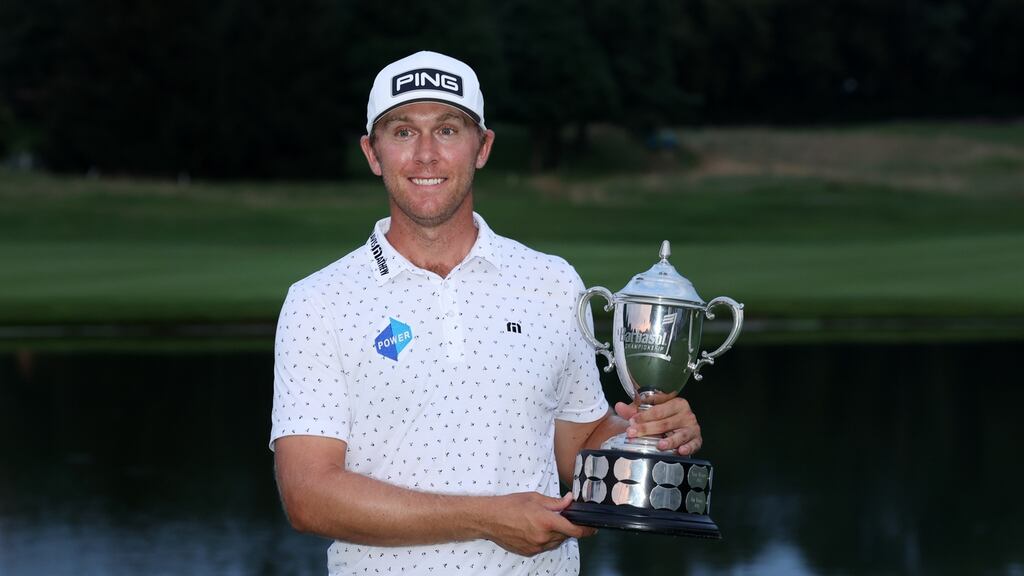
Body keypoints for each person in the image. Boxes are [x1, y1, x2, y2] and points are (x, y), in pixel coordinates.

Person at [270, 51, 703, 575]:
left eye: (448, 130)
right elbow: (308, 495)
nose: (426, 155)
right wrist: (486, 518)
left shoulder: (551, 281)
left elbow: (579, 450)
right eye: (403, 132)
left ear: (483, 147)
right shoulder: (320, 301)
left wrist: (646, 432)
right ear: (372, 152)